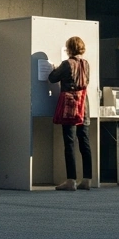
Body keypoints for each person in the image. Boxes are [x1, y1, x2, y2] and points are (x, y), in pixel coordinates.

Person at [48, 36, 92, 191]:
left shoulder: (67, 64)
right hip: (84, 107)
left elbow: (52, 78)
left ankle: (71, 180)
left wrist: (54, 67)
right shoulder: (86, 64)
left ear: (69, 49)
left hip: (70, 107)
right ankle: (87, 179)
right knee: (84, 143)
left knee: (70, 143)